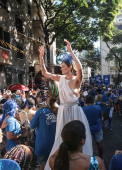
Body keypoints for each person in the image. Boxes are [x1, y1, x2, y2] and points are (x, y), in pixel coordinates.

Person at [39, 40, 93, 170]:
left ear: (70, 67)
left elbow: (79, 68)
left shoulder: (76, 79)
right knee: (62, 137)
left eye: (63, 66)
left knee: (78, 136)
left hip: (75, 111)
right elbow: (44, 73)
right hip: (62, 110)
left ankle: (80, 162)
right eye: (61, 66)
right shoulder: (60, 78)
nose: (61, 68)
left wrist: (71, 51)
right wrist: (41, 57)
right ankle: (64, 161)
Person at [30, 72, 59, 170]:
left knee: (42, 165)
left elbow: (32, 126)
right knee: (54, 164)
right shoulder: (59, 111)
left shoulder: (40, 111)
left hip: (42, 144)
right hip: (55, 145)